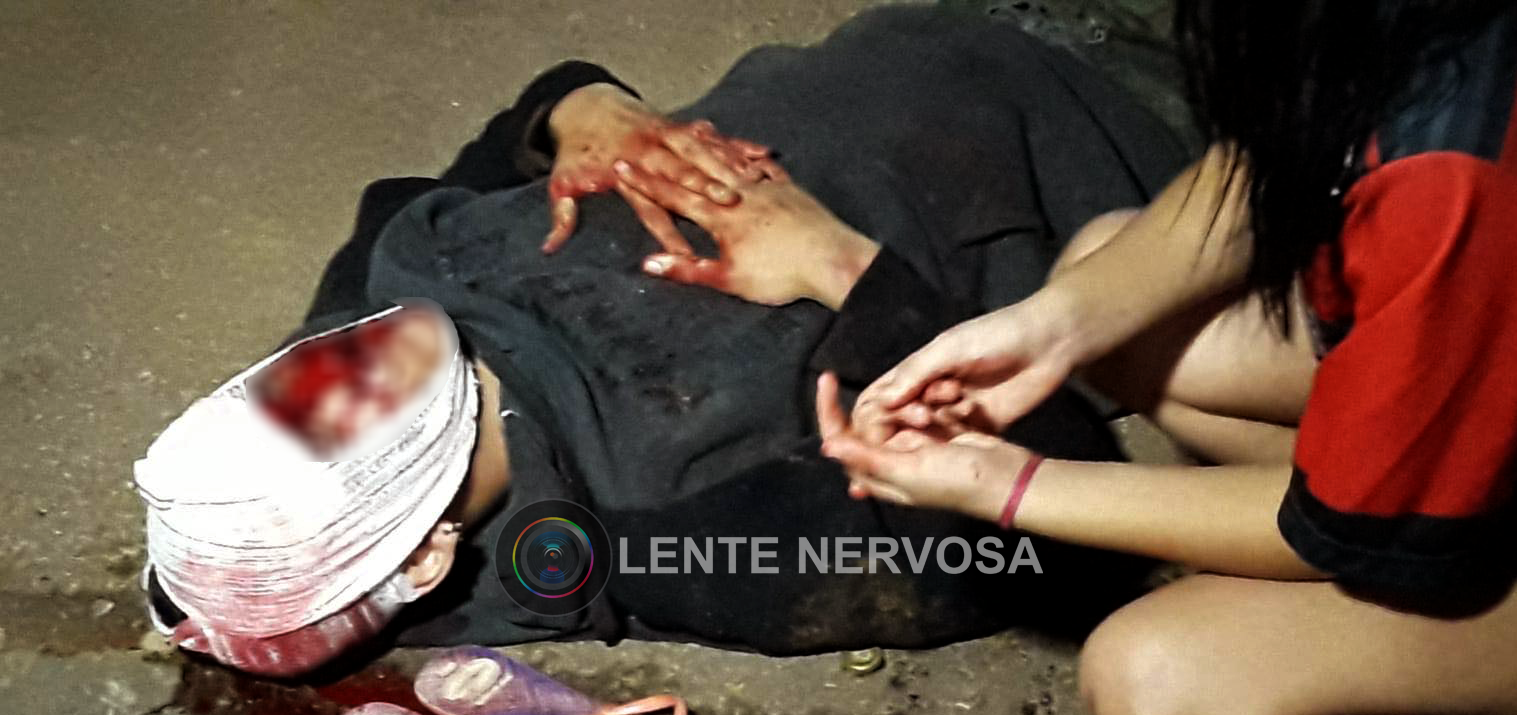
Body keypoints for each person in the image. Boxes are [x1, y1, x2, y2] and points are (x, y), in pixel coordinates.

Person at [136, 7, 1186, 676]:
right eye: (328, 428)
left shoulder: (371, 306)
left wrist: (578, 110)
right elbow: (1054, 543)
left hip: (939, 31)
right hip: (1130, 131)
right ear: (425, 557)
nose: (332, 369)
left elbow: (477, 151)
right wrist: (843, 268)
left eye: (270, 386)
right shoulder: (683, 537)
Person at [795, 0, 1517, 715]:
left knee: (1167, 693)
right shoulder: (1399, 32)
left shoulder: (1458, 189)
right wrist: (1053, 324)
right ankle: (1396, 531)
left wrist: (1007, 485)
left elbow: (1333, 533)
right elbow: (1279, 149)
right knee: (1109, 271)